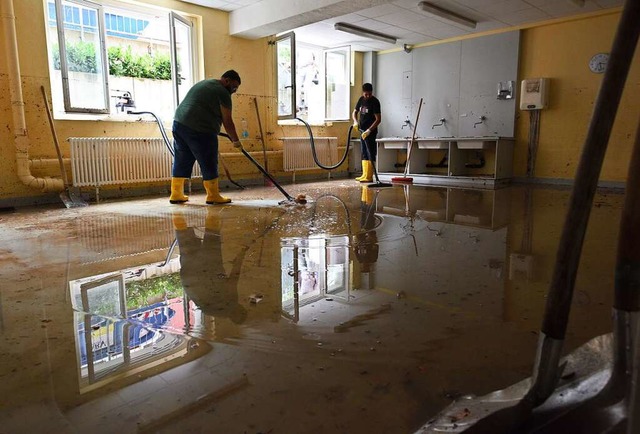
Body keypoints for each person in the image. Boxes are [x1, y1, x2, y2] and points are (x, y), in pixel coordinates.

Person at [169, 70, 244, 205]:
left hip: (179, 124)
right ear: (226, 80)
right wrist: (236, 141)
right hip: (200, 129)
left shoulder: (205, 83)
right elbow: (228, 121)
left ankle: (176, 194)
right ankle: (213, 195)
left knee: (182, 158)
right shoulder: (222, 92)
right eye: (233, 87)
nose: (234, 90)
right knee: (208, 160)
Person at [352, 83, 381, 183]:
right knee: (364, 152)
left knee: (370, 152)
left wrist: (369, 130)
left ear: (372, 92)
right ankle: (364, 174)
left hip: (370, 132)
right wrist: (355, 121)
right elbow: (354, 112)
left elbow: (378, 119)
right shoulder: (361, 100)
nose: (367, 96)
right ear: (363, 92)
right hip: (362, 131)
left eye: (369, 94)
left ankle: (369, 176)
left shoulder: (375, 102)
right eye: (366, 94)